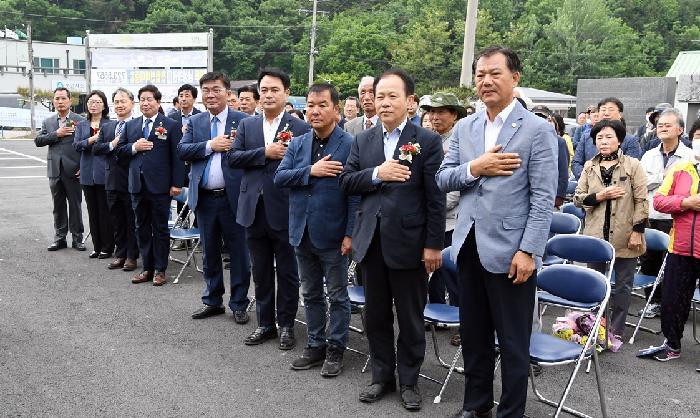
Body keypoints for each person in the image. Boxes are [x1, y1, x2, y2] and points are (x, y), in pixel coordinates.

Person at [436, 46, 558, 418]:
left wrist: (529, 251)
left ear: (515, 78)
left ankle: (510, 412)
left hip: (511, 253)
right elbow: (443, 177)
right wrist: (477, 167)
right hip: (468, 246)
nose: (486, 81)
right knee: (474, 336)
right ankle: (476, 406)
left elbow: (543, 199)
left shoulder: (537, 130)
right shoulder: (466, 126)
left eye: (494, 73)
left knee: (513, 342)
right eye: (480, 75)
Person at [339, 69, 445, 412]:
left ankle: (410, 381)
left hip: (410, 244)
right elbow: (347, 181)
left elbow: (435, 198)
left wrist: (433, 245)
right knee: (376, 315)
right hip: (370, 242)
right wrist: (377, 174)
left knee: (412, 318)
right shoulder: (363, 140)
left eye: (391, 96)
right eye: (378, 95)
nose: (383, 102)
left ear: (410, 102)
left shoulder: (426, 142)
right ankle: (381, 376)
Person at [274, 82, 358, 377]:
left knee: (337, 295)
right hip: (301, 230)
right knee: (309, 293)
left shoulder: (349, 144)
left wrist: (349, 234)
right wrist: (311, 170)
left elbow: (355, 194)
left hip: (334, 234)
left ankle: (336, 348)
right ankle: (315, 344)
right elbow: (280, 177)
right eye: (310, 105)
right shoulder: (298, 143)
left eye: (322, 105)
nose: (315, 110)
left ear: (336, 109)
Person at [227, 68, 311, 350]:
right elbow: (234, 158)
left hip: (286, 209)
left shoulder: (300, 128)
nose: (268, 95)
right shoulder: (247, 126)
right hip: (252, 207)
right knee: (260, 270)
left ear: (286, 93)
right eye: (264, 90)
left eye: (275, 89)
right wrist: (265, 153)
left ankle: (286, 324)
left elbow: (305, 170)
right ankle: (265, 323)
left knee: (288, 272)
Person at [177, 72, 252, 324]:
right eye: (206, 89)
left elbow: (252, 155)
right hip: (205, 199)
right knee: (209, 252)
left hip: (234, 198)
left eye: (216, 89)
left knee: (239, 253)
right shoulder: (196, 122)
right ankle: (212, 300)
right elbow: (182, 150)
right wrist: (211, 145)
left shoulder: (243, 121)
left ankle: (239, 303)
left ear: (227, 93)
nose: (211, 94)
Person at [574, 119, 648, 340]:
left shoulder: (633, 165)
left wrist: (638, 230)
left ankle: (616, 330)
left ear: (619, 140)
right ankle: (593, 325)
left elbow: (642, 200)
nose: (603, 141)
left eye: (609, 137)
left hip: (626, 234)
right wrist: (600, 196)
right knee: (594, 282)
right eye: (599, 138)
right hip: (596, 236)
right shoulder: (590, 166)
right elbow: (578, 199)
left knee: (623, 285)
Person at [116, 84, 185, 287]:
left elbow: (178, 157)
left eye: (149, 99)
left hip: (161, 187)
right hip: (137, 185)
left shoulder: (170, 125)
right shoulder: (131, 125)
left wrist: (177, 184)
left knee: (160, 229)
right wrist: (134, 147)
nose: (145, 103)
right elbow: (119, 152)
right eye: (142, 99)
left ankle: (160, 270)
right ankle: (147, 268)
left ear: (158, 101)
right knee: (141, 228)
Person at [650, 121, 700, 365]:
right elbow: (659, 201)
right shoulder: (681, 168)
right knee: (672, 299)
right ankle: (671, 344)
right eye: (699, 136)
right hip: (679, 246)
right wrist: (686, 203)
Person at [638, 109, 694, 318]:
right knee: (648, 261)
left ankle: (674, 304)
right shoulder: (649, 154)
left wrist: (658, 181)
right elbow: (641, 183)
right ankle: (653, 302)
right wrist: (665, 177)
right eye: (660, 125)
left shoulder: (690, 157)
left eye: (668, 125)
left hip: (677, 216)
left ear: (680, 130)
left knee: (674, 265)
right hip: (651, 213)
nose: (662, 128)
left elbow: (686, 189)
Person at [420, 92, 467, 306]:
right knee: (431, 272)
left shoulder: (460, 142)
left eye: (440, 112)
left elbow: (457, 185)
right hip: (427, 215)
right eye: (431, 112)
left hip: (449, 220)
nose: (434, 117)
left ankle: (461, 322)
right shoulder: (426, 140)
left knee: (451, 272)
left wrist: (435, 206)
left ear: (454, 115)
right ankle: (434, 315)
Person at [92, 88, 139, 272]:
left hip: (131, 179)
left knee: (131, 220)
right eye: (116, 102)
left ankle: (132, 256)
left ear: (131, 103)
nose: (119, 105)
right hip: (111, 180)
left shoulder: (137, 125)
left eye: (123, 101)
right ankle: (120, 254)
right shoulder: (108, 127)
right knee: (117, 220)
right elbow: (97, 149)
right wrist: (112, 144)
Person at [35, 87, 86, 251]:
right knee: (58, 206)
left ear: (70, 101)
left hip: (74, 170)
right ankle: (59, 238)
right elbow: (38, 140)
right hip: (54, 169)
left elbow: (86, 145)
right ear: (53, 101)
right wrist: (57, 133)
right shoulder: (48, 121)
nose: (60, 101)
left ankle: (78, 239)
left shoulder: (81, 120)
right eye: (57, 98)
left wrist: (83, 167)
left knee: (75, 206)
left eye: (63, 98)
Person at [73, 90, 114, 259]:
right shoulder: (82, 125)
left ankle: (107, 247)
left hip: (104, 172)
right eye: (91, 102)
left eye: (97, 102)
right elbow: (76, 145)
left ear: (104, 105)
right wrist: (90, 140)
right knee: (92, 211)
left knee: (105, 211)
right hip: (87, 174)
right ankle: (96, 247)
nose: (93, 105)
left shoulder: (109, 124)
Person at [572, 98, 642, 178]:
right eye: (603, 110)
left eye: (611, 110)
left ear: (620, 114)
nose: (606, 113)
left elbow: (630, 168)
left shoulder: (630, 140)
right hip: (589, 185)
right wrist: (590, 179)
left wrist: (607, 183)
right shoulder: (587, 137)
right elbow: (576, 162)